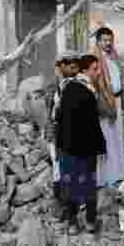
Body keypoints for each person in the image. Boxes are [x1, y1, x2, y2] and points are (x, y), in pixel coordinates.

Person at [56, 54, 106, 234]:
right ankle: (91, 222)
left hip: (67, 147)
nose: (99, 73)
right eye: (95, 69)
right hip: (85, 148)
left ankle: (72, 224)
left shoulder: (66, 87)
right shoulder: (88, 91)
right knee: (89, 183)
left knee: (70, 183)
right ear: (84, 70)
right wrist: (101, 145)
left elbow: (58, 117)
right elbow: (93, 124)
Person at [90, 27, 124, 188]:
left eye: (109, 40)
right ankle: (106, 178)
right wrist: (109, 102)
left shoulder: (113, 55)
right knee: (107, 139)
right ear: (98, 41)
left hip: (117, 100)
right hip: (106, 103)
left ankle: (117, 174)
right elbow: (98, 84)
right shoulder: (95, 58)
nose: (108, 43)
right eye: (104, 40)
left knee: (117, 138)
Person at [46, 54, 80, 201]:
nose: (59, 69)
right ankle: (61, 201)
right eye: (59, 66)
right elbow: (52, 110)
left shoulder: (73, 85)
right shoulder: (56, 86)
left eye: (62, 66)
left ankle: (68, 202)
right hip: (55, 131)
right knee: (57, 167)